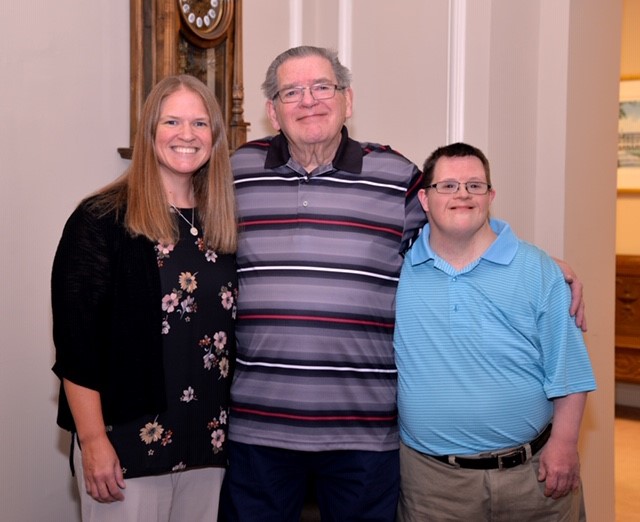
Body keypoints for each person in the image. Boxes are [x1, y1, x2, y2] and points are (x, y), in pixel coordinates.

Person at [222, 46, 587, 521]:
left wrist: (537, 264)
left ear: (347, 100)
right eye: (292, 91)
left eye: (322, 87)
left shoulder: (394, 175)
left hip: (364, 435)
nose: (309, 100)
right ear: (272, 110)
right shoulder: (236, 172)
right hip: (259, 427)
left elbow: (456, 211)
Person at [51, 74, 237, 521]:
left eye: (199, 123)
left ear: (215, 136)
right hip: (125, 446)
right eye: (172, 121)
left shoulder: (222, 222)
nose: (186, 135)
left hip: (207, 444)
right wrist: (93, 441)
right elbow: (77, 347)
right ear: (150, 130)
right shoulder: (101, 219)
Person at [393, 142, 596, 522]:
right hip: (432, 486)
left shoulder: (537, 270)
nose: (463, 195)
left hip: (534, 478)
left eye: (475, 185)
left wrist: (565, 445)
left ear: (491, 195)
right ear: (424, 199)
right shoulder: (397, 273)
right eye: (448, 186)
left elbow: (568, 370)